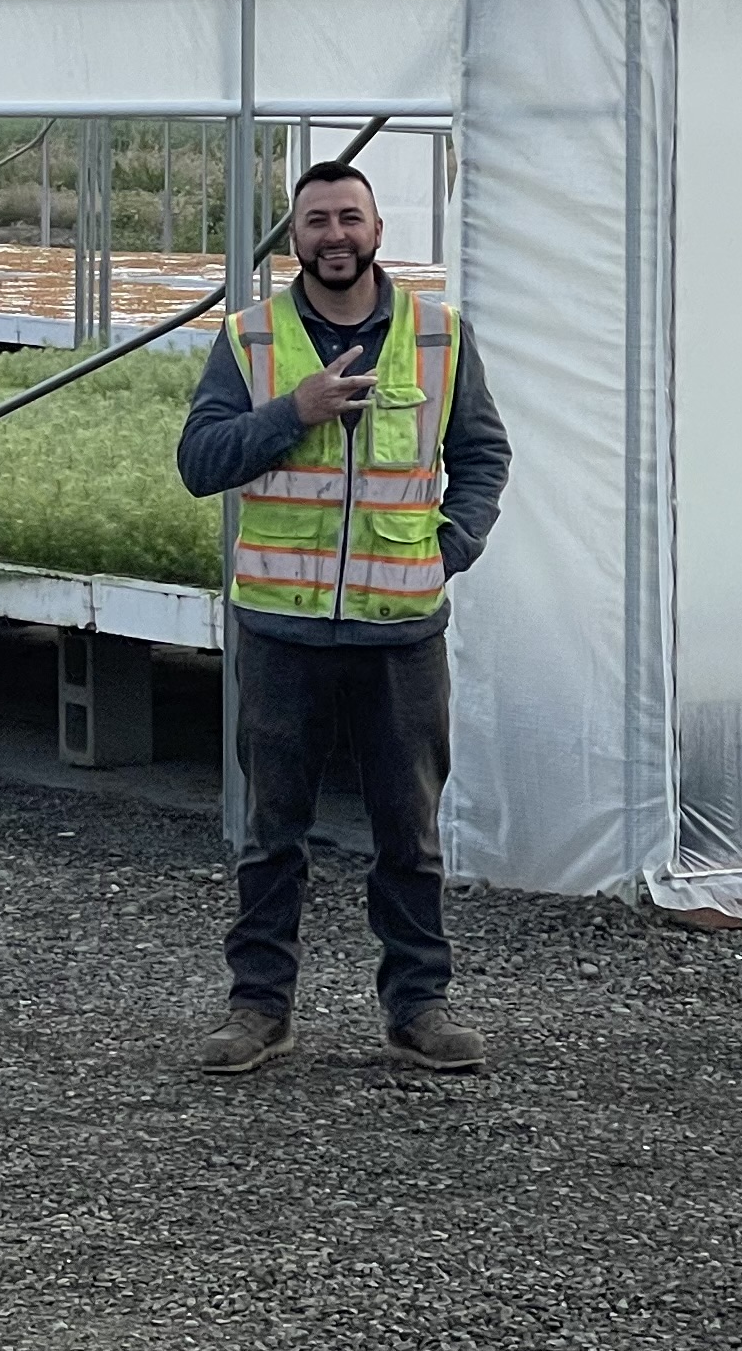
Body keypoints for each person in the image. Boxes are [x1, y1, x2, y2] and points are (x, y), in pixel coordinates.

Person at [173, 156, 509, 1074]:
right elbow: (200, 461)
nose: (334, 236)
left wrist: (452, 546)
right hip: (281, 630)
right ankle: (258, 1009)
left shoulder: (439, 338)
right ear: (295, 237)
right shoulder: (251, 341)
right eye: (315, 221)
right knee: (271, 830)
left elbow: (481, 453)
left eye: (348, 218)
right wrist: (294, 409)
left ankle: (418, 1007)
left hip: (400, 632)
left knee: (409, 829)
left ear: (377, 231)